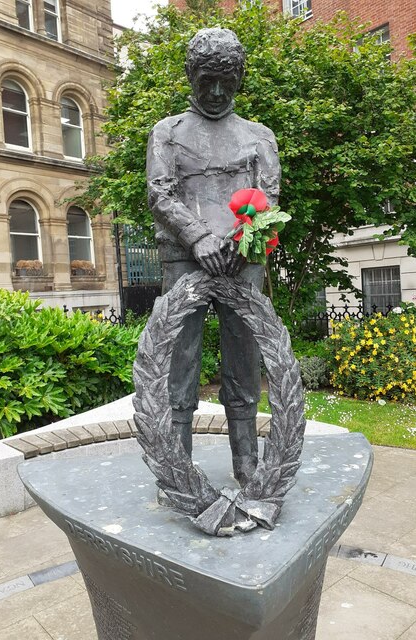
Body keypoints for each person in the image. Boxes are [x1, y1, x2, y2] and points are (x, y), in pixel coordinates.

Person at [146, 27, 281, 486]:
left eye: (227, 80)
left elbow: (270, 197)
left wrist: (242, 241)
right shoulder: (168, 133)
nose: (218, 92)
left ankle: (247, 462)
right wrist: (199, 237)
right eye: (207, 80)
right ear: (191, 76)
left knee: (244, 359)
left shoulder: (260, 136)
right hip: (185, 259)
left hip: (244, 258)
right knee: (178, 360)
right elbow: (161, 194)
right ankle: (176, 467)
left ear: (240, 78)